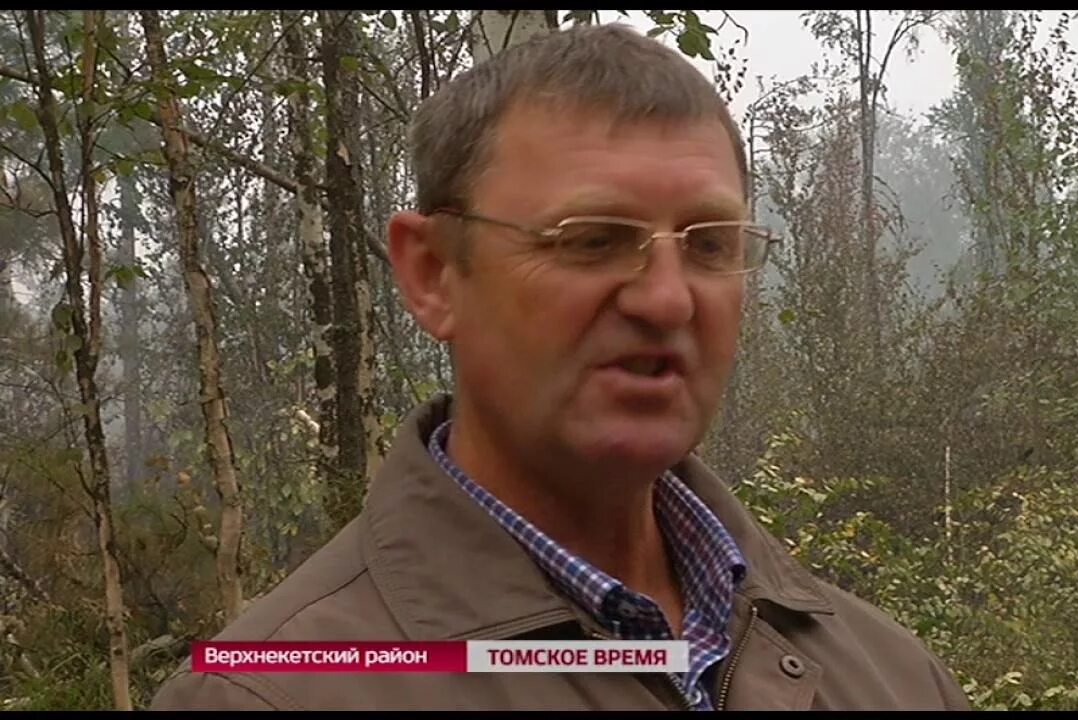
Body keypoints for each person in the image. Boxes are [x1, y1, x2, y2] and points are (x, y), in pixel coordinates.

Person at [150, 22, 971, 711]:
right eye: (591, 240)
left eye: (711, 245)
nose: (667, 301)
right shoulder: (268, 695)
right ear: (434, 273)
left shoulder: (893, 678)